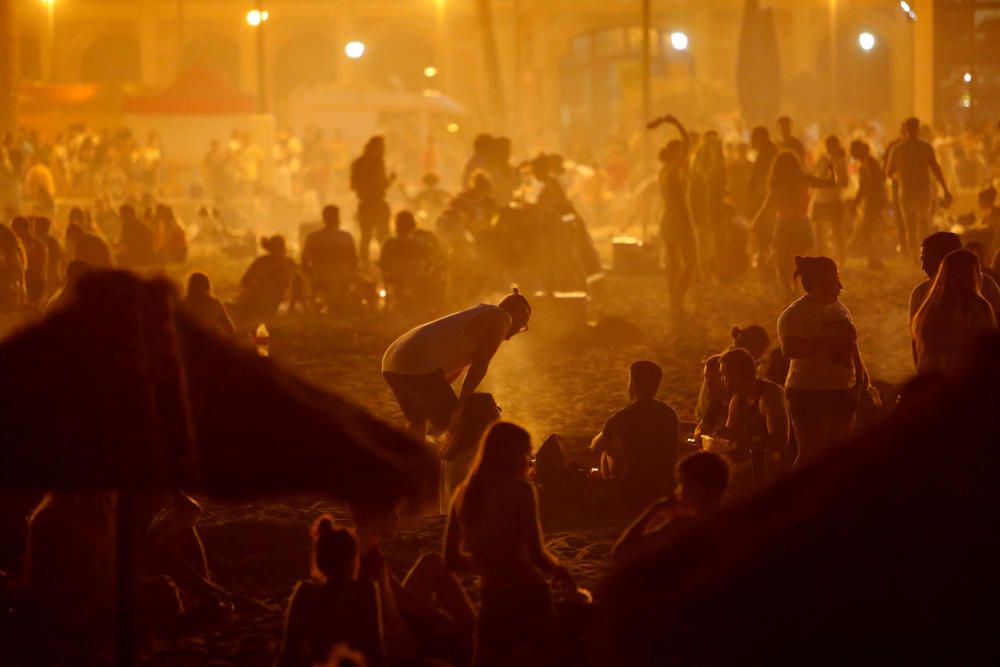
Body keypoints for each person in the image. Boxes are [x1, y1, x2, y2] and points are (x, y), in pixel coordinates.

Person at [444, 422, 577, 667]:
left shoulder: (462, 494)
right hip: (528, 595)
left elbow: (451, 559)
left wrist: (487, 559)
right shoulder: (521, 492)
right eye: (527, 454)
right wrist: (561, 570)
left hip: (492, 598)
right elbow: (537, 554)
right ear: (514, 454)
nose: (529, 461)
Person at [381, 289, 530, 440]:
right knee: (459, 424)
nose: (519, 330)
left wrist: (446, 401)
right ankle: (454, 461)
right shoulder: (502, 318)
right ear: (517, 314)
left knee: (418, 420)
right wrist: (461, 407)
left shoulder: (479, 313)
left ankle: (412, 460)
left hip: (392, 362)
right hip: (416, 361)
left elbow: (453, 369)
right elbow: (480, 365)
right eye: (523, 324)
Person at [352, 502, 475, 666]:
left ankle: (471, 627)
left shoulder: (364, 544)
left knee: (431, 562)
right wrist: (442, 621)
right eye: (393, 512)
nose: (398, 517)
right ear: (379, 517)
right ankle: (473, 633)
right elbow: (400, 601)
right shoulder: (364, 552)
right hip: (389, 631)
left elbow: (396, 592)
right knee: (459, 638)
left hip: (390, 616)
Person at [778, 256, 869, 467]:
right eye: (833, 280)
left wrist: (861, 373)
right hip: (809, 391)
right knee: (811, 455)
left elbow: (851, 343)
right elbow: (790, 350)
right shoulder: (794, 315)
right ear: (816, 283)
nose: (840, 286)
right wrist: (830, 342)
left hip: (842, 388)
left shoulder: (840, 308)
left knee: (840, 453)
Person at [275, 515, 386, 667]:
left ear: (320, 561)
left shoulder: (306, 592)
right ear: (354, 561)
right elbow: (376, 654)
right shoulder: (366, 592)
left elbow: (289, 654)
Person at [590, 361, 681, 512]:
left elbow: (595, 447)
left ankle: (610, 490)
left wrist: (610, 433)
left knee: (609, 448)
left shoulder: (624, 416)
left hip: (634, 490)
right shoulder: (670, 413)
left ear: (633, 384)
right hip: (666, 486)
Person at [611, 451, 730, 564]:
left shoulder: (683, 527)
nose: (677, 491)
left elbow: (622, 553)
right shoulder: (734, 524)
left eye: (682, 484)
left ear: (696, 489)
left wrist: (655, 509)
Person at [752, 152, 833, 295]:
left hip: (784, 224)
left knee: (782, 261)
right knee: (800, 261)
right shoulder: (804, 179)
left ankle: (789, 289)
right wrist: (832, 169)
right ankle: (797, 287)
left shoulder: (776, 183)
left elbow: (766, 207)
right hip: (803, 224)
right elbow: (830, 183)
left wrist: (756, 221)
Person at [910, 249, 996, 375]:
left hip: (933, 386)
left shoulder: (928, 309)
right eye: (978, 270)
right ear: (972, 274)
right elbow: (989, 355)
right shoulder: (978, 308)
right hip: (964, 386)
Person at [717, 347, 789, 480]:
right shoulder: (737, 399)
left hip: (772, 462)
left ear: (737, 374)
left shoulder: (770, 395)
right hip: (750, 457)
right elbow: (731, 440)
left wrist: (743, 438)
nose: (722, 379)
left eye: (724, 374)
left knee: (728, 478)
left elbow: (780, 442)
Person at [886, 117, 954, 257]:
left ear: (905, 129)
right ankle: (924, 254)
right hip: (921, 190)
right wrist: (945, 189)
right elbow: (936, 168)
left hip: (907, 190)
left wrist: (899, 179)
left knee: (910, 225)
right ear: (918, 129)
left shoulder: (898, 148)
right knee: (923, 223)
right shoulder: (925, 147)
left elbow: (889, 172)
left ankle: (915, 257)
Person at [654, 115, 697, 313]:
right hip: (680, 221)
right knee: (690, 263)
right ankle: (677, 301)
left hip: (669, 220)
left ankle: (674, 302)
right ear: (675, 154)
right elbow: (687, 142)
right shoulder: (672, 171)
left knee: (675, 265)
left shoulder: (664, 172)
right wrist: (676, 123)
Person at [910, 231, 1000, 320]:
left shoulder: (987, 286)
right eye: (923, 260)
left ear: (951, 258)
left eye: (930, 260)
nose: (924, 267)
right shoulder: (919, 294)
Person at [439, 392, 502, 513]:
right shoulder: (476, 453)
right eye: (496, 409)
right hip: (471, 521)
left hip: (451, 519)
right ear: (488, 417)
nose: (499, 414)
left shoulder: (453, 448)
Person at [301, 204, 358, 314]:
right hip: (342, 278)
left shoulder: (313, 238)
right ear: (337, 218)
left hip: (320, 276)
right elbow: (354, 261)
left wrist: (311, 275)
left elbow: (304, 262)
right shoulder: (346, 237)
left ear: (324, 218)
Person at [233, 235, 303, 323]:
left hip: (256, 303)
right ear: (283, 249)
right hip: (269, 304)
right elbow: (298, 285)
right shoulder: (289, 263)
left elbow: (245, 280)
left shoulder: (262, 261)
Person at [351, 136, 394, 263]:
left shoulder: (358, 163)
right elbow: (383, 185)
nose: (383, 151)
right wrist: (390, 179)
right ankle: (386, 263)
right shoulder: (377, 163)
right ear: (375, 147)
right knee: (382, 236)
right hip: (376, 204)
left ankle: (364, 264)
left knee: (366, 237)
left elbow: (353, 186)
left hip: (366, 204)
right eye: (382, 147)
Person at [849, 140, 888, 269]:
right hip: (874, 199)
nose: (852, 153)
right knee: (872, 229)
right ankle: (874, 259)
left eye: (854, 150)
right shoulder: (866, 162)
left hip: (874, 200)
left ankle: (875, 260)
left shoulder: (869, 161)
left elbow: (873, 182)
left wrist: (857, 200)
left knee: (871, 229)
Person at [810, 136, 849, 264]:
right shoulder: (822, 159)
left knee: (837, 230)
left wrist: (833, 182)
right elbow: (812, 173)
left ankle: (842, 259)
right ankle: (821, 257)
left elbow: (845, 182)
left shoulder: (841, 161)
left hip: (834, 200)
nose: (830, 148)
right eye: (828, 146)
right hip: (820, 200)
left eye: (832, 145)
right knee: (818, 231)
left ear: (837, 147)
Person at [11, 216, 47, 306]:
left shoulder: (37, 245)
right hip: (25, 284)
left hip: (34, 284)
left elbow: (38, 268)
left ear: (22, 228)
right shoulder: (16, 245)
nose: (13, 233)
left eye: (15, 230)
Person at [33, 217, 64, 294]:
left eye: (38, 225)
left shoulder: (49, 242)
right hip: (46, 276)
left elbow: (57, 258)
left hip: (47, 276)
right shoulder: (53, 241)